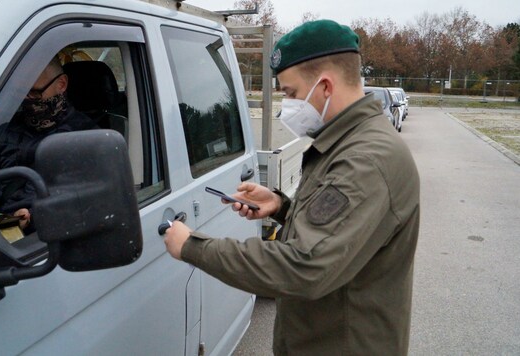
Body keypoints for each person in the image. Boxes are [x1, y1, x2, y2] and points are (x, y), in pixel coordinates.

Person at [164, 20, 420, 355]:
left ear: (325, 86)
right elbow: (337, 230)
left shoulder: (366, 160)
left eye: (292, 93)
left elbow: (303, 266)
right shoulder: (351, 142)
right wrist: (282, 206)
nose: (289, 106)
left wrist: (192, 247)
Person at [0, 56, 97, 230]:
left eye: (35, 92)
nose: (27, 100)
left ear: (62, 84)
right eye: (22, 92)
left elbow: (87, 207)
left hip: (48, 238)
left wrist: (32, 219)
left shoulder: (88, 137)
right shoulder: (5, 131)